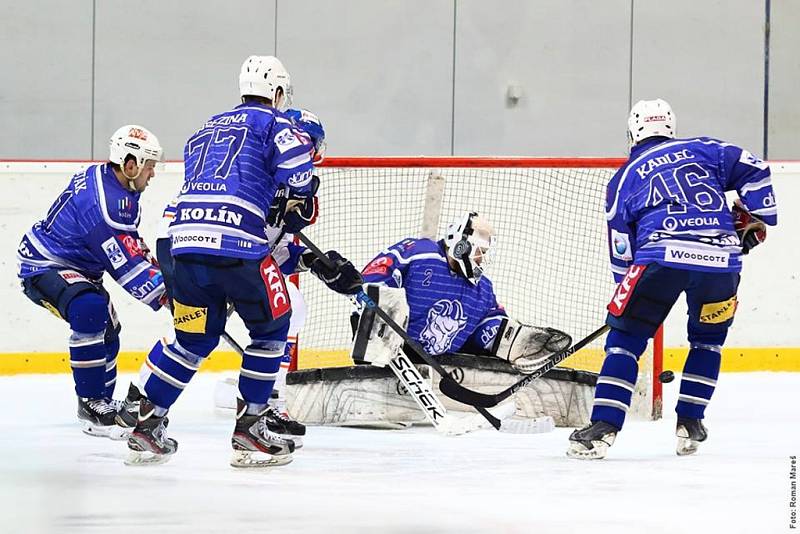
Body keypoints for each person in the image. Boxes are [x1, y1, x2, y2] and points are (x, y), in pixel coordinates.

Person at [126, 56, 360, 468]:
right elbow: (298, 176)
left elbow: (273, 240)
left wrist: (315, 262)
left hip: (185, 249)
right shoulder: (276, 126)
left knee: (195, 340)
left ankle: (147, 419)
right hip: (234, 249)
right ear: (278, 93)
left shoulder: (205, 129)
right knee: (273, 325)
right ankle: (252, 424)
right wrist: (300, 190)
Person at [567, 99, 778, 459]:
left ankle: (603, 428)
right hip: (721, 263)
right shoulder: (707, 149)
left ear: (633, 132)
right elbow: (755, 168)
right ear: (670, 127)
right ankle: (690, 425)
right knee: (708, 342)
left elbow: (622, 248)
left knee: (625, 342)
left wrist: (625, 299)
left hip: (660, 259)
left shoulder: (624, 177)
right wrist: (758, 215)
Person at [16, 125, 166, 439]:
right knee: (90, 309)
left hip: (77, 267)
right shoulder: (104, 204)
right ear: (130, 164)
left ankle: (102, 405)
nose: (152, 174)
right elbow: (124, 267)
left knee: (108, 330)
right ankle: (91, 403)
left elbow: (130, 245)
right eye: (149, 166)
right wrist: (168, 295)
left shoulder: (116, 186)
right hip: (45, 264)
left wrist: (166, 277)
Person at [353, 211, 571, 374]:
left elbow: (488, 329)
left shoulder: (482, 290)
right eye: (480, 252)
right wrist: (365, 289)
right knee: (385, 300)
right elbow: (374, 279)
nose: (482, 260)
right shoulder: (420, 254)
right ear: (461, 245)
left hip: (436, 367)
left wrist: (519, 341)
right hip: (388, 354)